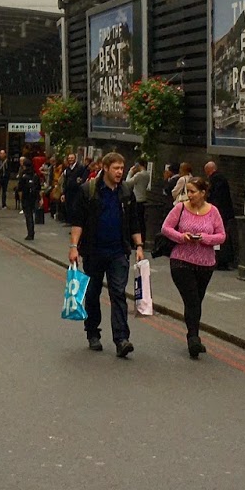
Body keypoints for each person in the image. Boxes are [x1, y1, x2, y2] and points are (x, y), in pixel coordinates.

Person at [68, 152, 146, 358]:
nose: (120, 172)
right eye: (116, 168)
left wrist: (139, 246)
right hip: (93, 251)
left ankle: (121, 339)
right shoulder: (89, 190)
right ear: (105, 168)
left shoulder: (127, 192)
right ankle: (92, 332)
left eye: (122, 168)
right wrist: (74, 246)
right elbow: (78, 222)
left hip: (118, 252)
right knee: (93, 293)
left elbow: (134, 221)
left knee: (118, 293)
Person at [161, 176, 228, 358]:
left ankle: (193, 336)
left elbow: (221, 236)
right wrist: (182, 237)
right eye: (187, 191)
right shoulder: (180, 208)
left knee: (197, 301)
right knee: (191, 299)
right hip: (181, 261)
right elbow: (166, 228)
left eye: (192, 192)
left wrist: (204, 239)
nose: (189, 195)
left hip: (205, 264)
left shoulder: (213, 211)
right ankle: (193, 339)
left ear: (203, 193)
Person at [203, 159, 239, 266]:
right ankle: (223, 258)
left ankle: (221, 259)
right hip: (225, 212)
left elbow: (214, 197)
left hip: (220, 213)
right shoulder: (221, 178)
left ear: (208, 170)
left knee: (219, 235)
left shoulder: (215, 179)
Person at [15, 155, 41, 240]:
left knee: (28, 215)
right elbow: (38, 188)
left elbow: (20, 188)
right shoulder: (35, 175)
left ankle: (30, 233)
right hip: (34, 197)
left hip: (26, 197)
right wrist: (40, 198)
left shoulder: (23, 175)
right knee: (31, 215)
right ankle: (32, 232)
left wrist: (20, 197)